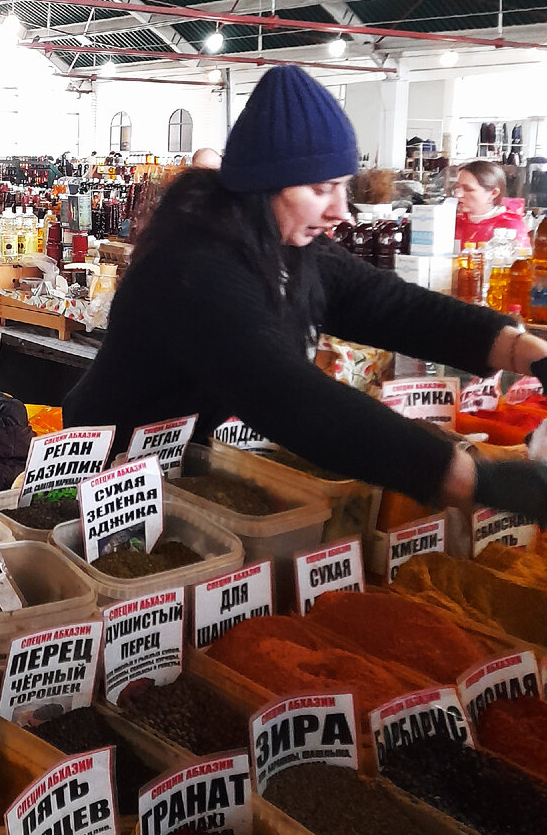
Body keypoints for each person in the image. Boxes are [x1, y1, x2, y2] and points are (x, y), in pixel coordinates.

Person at [64, 65, 547, 523]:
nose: (342, 210)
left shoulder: (286, 244)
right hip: (105, 471)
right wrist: (470, 477)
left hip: (180, 464)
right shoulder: (194, 266)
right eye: (322, 188)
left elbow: (388, 303)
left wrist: (524, 351)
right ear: (262, 187)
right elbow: (286, 394)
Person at [454, 160, 530, 248]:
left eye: (468, 189)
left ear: (494, 193)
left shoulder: (510, 227)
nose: (458, 194)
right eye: (457, 188)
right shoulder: (455, 222)